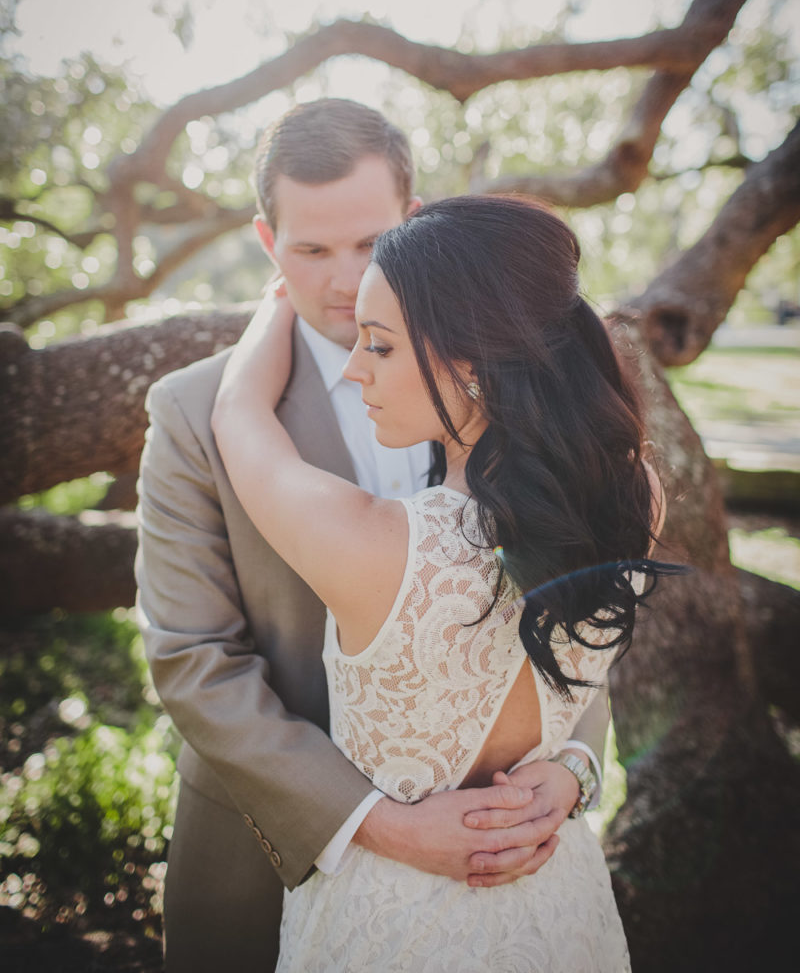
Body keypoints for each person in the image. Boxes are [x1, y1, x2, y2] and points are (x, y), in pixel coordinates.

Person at [135, 100, 611, 972]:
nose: (346, 281)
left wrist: (575, 760)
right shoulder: (194, 410)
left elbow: (582, 591)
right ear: (266, 240)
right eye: (311, 249)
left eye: (369, 243)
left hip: (511, 870)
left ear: (415, 222)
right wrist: (377, 823)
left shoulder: (510, 391)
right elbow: (193, 657)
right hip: (266, 853)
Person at [212, 193, 669, 972]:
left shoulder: (370, 545)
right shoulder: (635, 499)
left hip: (389, 927)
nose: (355, 368)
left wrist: (275, 305)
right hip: (557, 906)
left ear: (473, 363)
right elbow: (580, 691)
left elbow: (235, 417)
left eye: (380, 346)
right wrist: (572, 769)